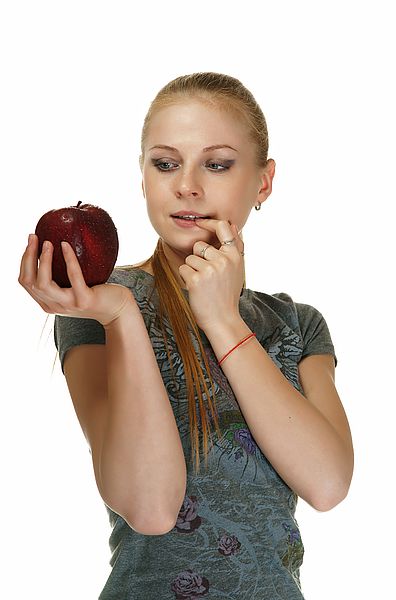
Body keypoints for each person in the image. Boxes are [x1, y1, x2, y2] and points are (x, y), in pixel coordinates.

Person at [18, 72, 354, 600]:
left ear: (263, 182)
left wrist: (223, 320)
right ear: (144, 176)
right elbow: (150, 507)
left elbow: (328, 484)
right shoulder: (101, 305)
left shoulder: (296, 324)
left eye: (216, 164)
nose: (186, 185)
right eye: (166, 163)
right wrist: (123, 316)